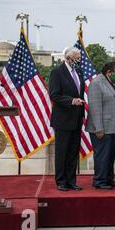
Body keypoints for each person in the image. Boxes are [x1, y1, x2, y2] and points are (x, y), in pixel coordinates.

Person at [49, 47, 85, 191]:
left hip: (76, 119)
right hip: (63, 119)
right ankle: (61, 181)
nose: (79, 61)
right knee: (62, 152)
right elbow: (54, 95)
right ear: (69, 58)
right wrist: (71, 101)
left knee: (73, 152)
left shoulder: (79, 72)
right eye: (77, 58)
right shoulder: (57, 73)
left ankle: (71, 180)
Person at [86, 61, 115, 190]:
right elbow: (95, 109)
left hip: (113, 126)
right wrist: (99, 128)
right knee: (102, 155)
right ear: (109, 72)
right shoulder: (96, 84)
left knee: (110, 156)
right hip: (101, 128)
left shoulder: (111, 83)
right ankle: (100, 181)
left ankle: (108, 178)